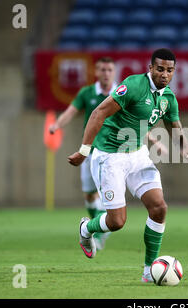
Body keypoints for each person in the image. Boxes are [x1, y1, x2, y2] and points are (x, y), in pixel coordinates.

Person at [67, 48, 188, 282]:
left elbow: (173, 124)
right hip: (109, 156)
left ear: (174, 72)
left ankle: (149, 271)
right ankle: (86, 229)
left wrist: (185, 147)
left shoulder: (168, 97)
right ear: (150, 68)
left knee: (159, 208)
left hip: (137, 155)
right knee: (117, 222)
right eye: (160, 69)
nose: (164, 74)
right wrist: (84, 150)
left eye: (169, 70)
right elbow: (98, 112)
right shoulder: (134, 86)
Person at [49, 56, 117, 250]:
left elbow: (134, 120)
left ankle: (99, 231)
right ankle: (98, 229)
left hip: (112, 153)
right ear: (96, 72)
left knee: (107, 194)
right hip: (88, 151)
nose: (106, 73)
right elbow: (71, 111)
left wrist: (153, 139)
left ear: (114, 72)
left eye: (109, 70)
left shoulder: (121, 93)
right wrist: (57, 125)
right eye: (102, 70)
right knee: (89, 194)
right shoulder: (87, 93)